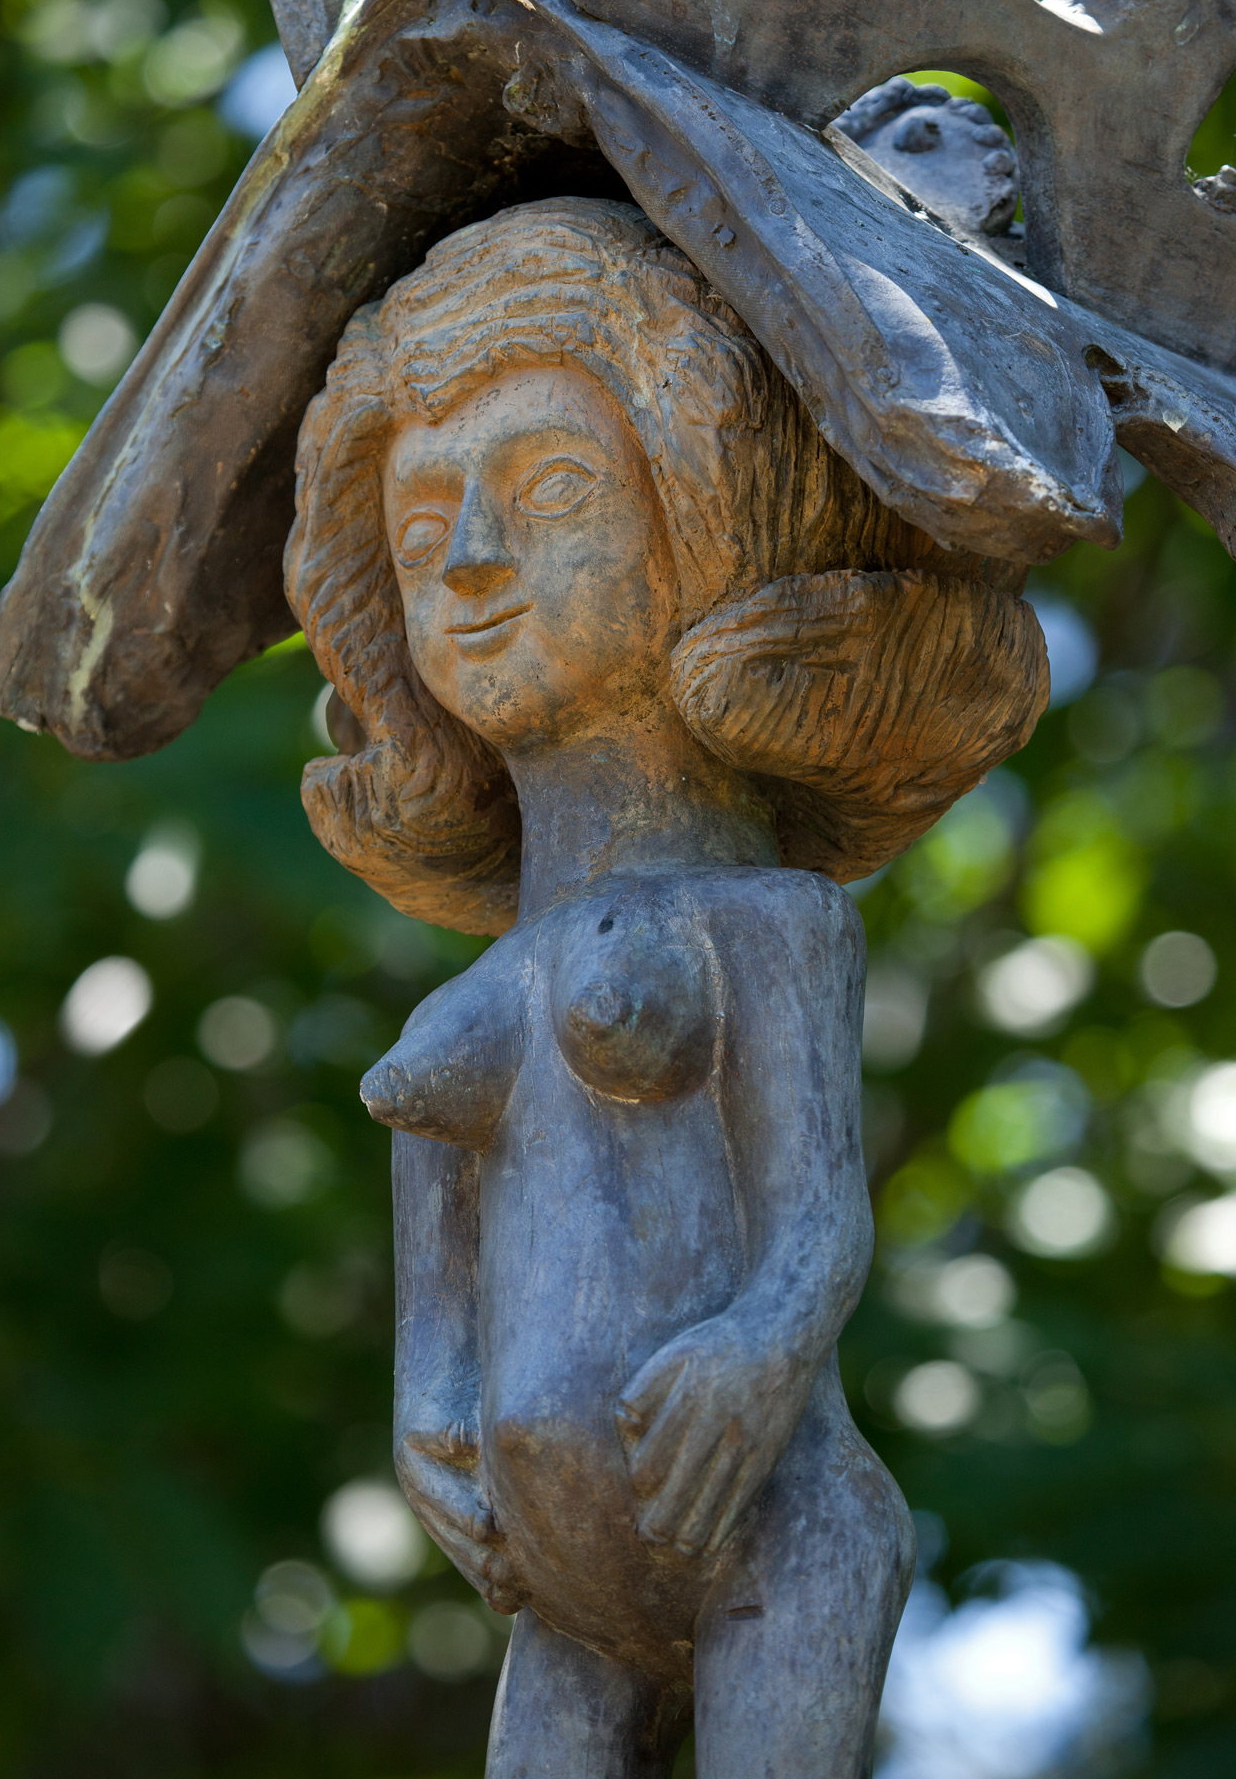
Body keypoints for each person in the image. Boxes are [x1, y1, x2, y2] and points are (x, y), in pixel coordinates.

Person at [284, 197, 1045, 1774]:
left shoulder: (767, 923)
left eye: (551, 489)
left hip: (775, 1534)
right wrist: (428, 1404)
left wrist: (761, 1345)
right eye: (419, 534)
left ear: (697, 516)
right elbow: (439, 1251)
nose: (471, 563)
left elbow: (821, 1219)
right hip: (557, 1594)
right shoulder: (489, 977)